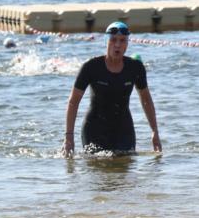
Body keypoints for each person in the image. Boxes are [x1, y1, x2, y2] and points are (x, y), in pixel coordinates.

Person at [63, 22, 162, 156]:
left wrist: (154, 131)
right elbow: (73, 102)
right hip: (94, 129)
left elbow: (146, 100)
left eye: (122, 41)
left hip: (124, 130)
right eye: (113, 40)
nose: (117, 45)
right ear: (106, 41)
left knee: (125, 170)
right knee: (98, 170)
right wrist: (69, 136)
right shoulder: (91, 67)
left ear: (127, 43)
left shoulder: (135, 68)